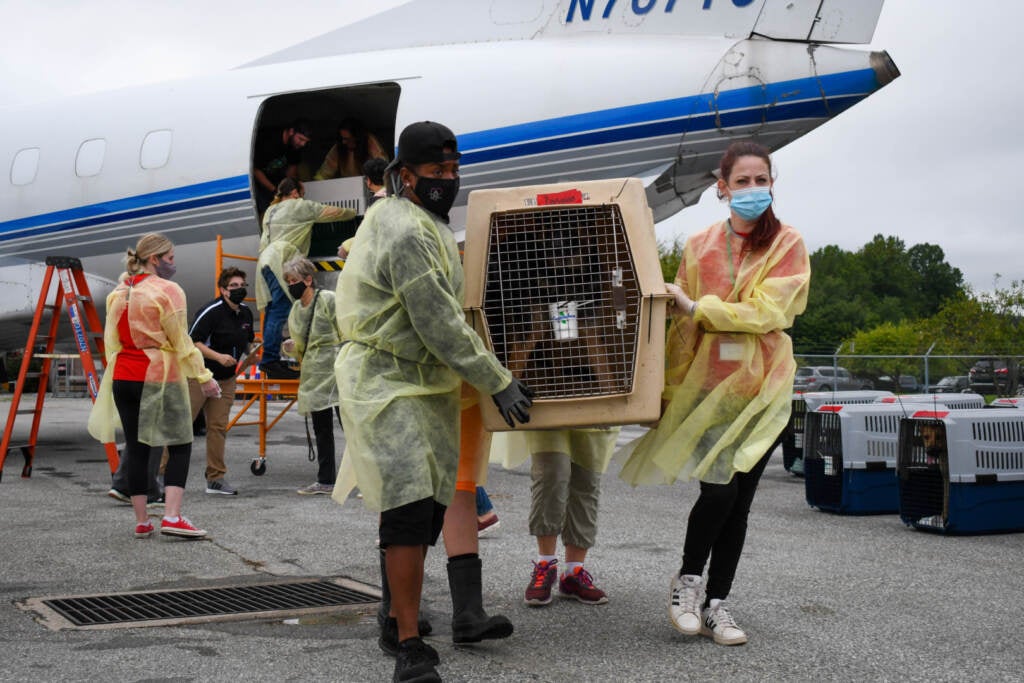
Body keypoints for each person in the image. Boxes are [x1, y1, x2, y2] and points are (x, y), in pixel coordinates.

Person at [334, 120, 532, 683]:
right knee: (406, 508)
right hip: (387, 381)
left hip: (426, 383)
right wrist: (498, 379)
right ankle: (408, 643)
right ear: (403, 175)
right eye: (436, 171)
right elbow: (438, 320)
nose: (447, 179)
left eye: (453, 170)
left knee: (429, 508)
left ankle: (400, 617)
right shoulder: (403, 229)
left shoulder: (430, 223)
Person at [620, 140, 811, 646]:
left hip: (763, 389)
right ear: (722, 188)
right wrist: (667, 391)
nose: (753, 189)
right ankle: (686, 584)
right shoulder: (700, 245)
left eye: (761, 180)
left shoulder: (787, 244)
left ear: (773, 184)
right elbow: (683, 333)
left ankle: (717, 603)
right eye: (742, 181)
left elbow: (770, 313)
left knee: (739, 501)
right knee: (718, 489)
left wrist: (697, 307)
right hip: (710, 390)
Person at [88, 233, 221, 539]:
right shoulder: (168, 290)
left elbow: (111, 341)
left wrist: (117, 368)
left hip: (123, 374)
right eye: (170, 258)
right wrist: (204, 376)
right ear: (154, 259)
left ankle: (142, 520)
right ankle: (172, 517)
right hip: (158, 375)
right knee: (180, 444)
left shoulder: (118, 292)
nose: (173, 264)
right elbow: (181, 341)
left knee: (136, 448)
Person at [256, 177, 354, 378]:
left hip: (265, 260)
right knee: (281, 309)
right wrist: (356, 213)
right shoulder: (299, 206)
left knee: (273, 309)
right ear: (294, 193)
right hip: (281, 259)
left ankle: (269, 356)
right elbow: (336, 213)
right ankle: (270, 360)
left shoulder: (269, 211)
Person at [523, 428, 618, 607]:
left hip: (594, 405)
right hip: (550, 405)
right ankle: (545, 564)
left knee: (587, 480)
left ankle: (573, 573)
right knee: (551, 472)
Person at [185, 266, 256, 496]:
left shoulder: (245, 312)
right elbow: (192, 342)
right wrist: (217, 356)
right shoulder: (211, 312)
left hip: (226, 379)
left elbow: (247, 340)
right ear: (223, 290)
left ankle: (215, 478)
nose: (238, 290)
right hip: (199, 376)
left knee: (217, 428)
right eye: (233, 286)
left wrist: (251, 352)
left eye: (241, 285)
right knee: (182, 426)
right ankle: (162, 474)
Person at [282, 257, 342, 495]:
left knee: (353, 428)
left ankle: (366, 480)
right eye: (288, 280)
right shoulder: (296, 309)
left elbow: (345, 329)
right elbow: (300, 344)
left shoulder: (328, 299)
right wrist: (291, 346)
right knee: (322, 429)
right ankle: (326, 480)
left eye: (294, 280)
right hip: (315, 375)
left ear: (309, 280)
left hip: (337, 371)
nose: (291, 284)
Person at [253, 120, 313, 216]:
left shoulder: (296, 146)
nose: (303, 144)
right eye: (301, 139)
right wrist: (275, 190)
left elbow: (292, 171)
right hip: (257, 181)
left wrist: (295, 186)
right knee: (265, 210)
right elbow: (255, 170)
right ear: (291, 131)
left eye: (306, 141)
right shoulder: (268, 141)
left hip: (276, 179)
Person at [313, 118, 388, 180]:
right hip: (347, 185)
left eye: (347, 139)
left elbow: (382, 164)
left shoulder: (368, 141)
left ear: (356, 137)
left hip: (369, 184)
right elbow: (325, 171)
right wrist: (316, 182)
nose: (344, 142)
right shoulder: (339, 147)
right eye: (342, 138)